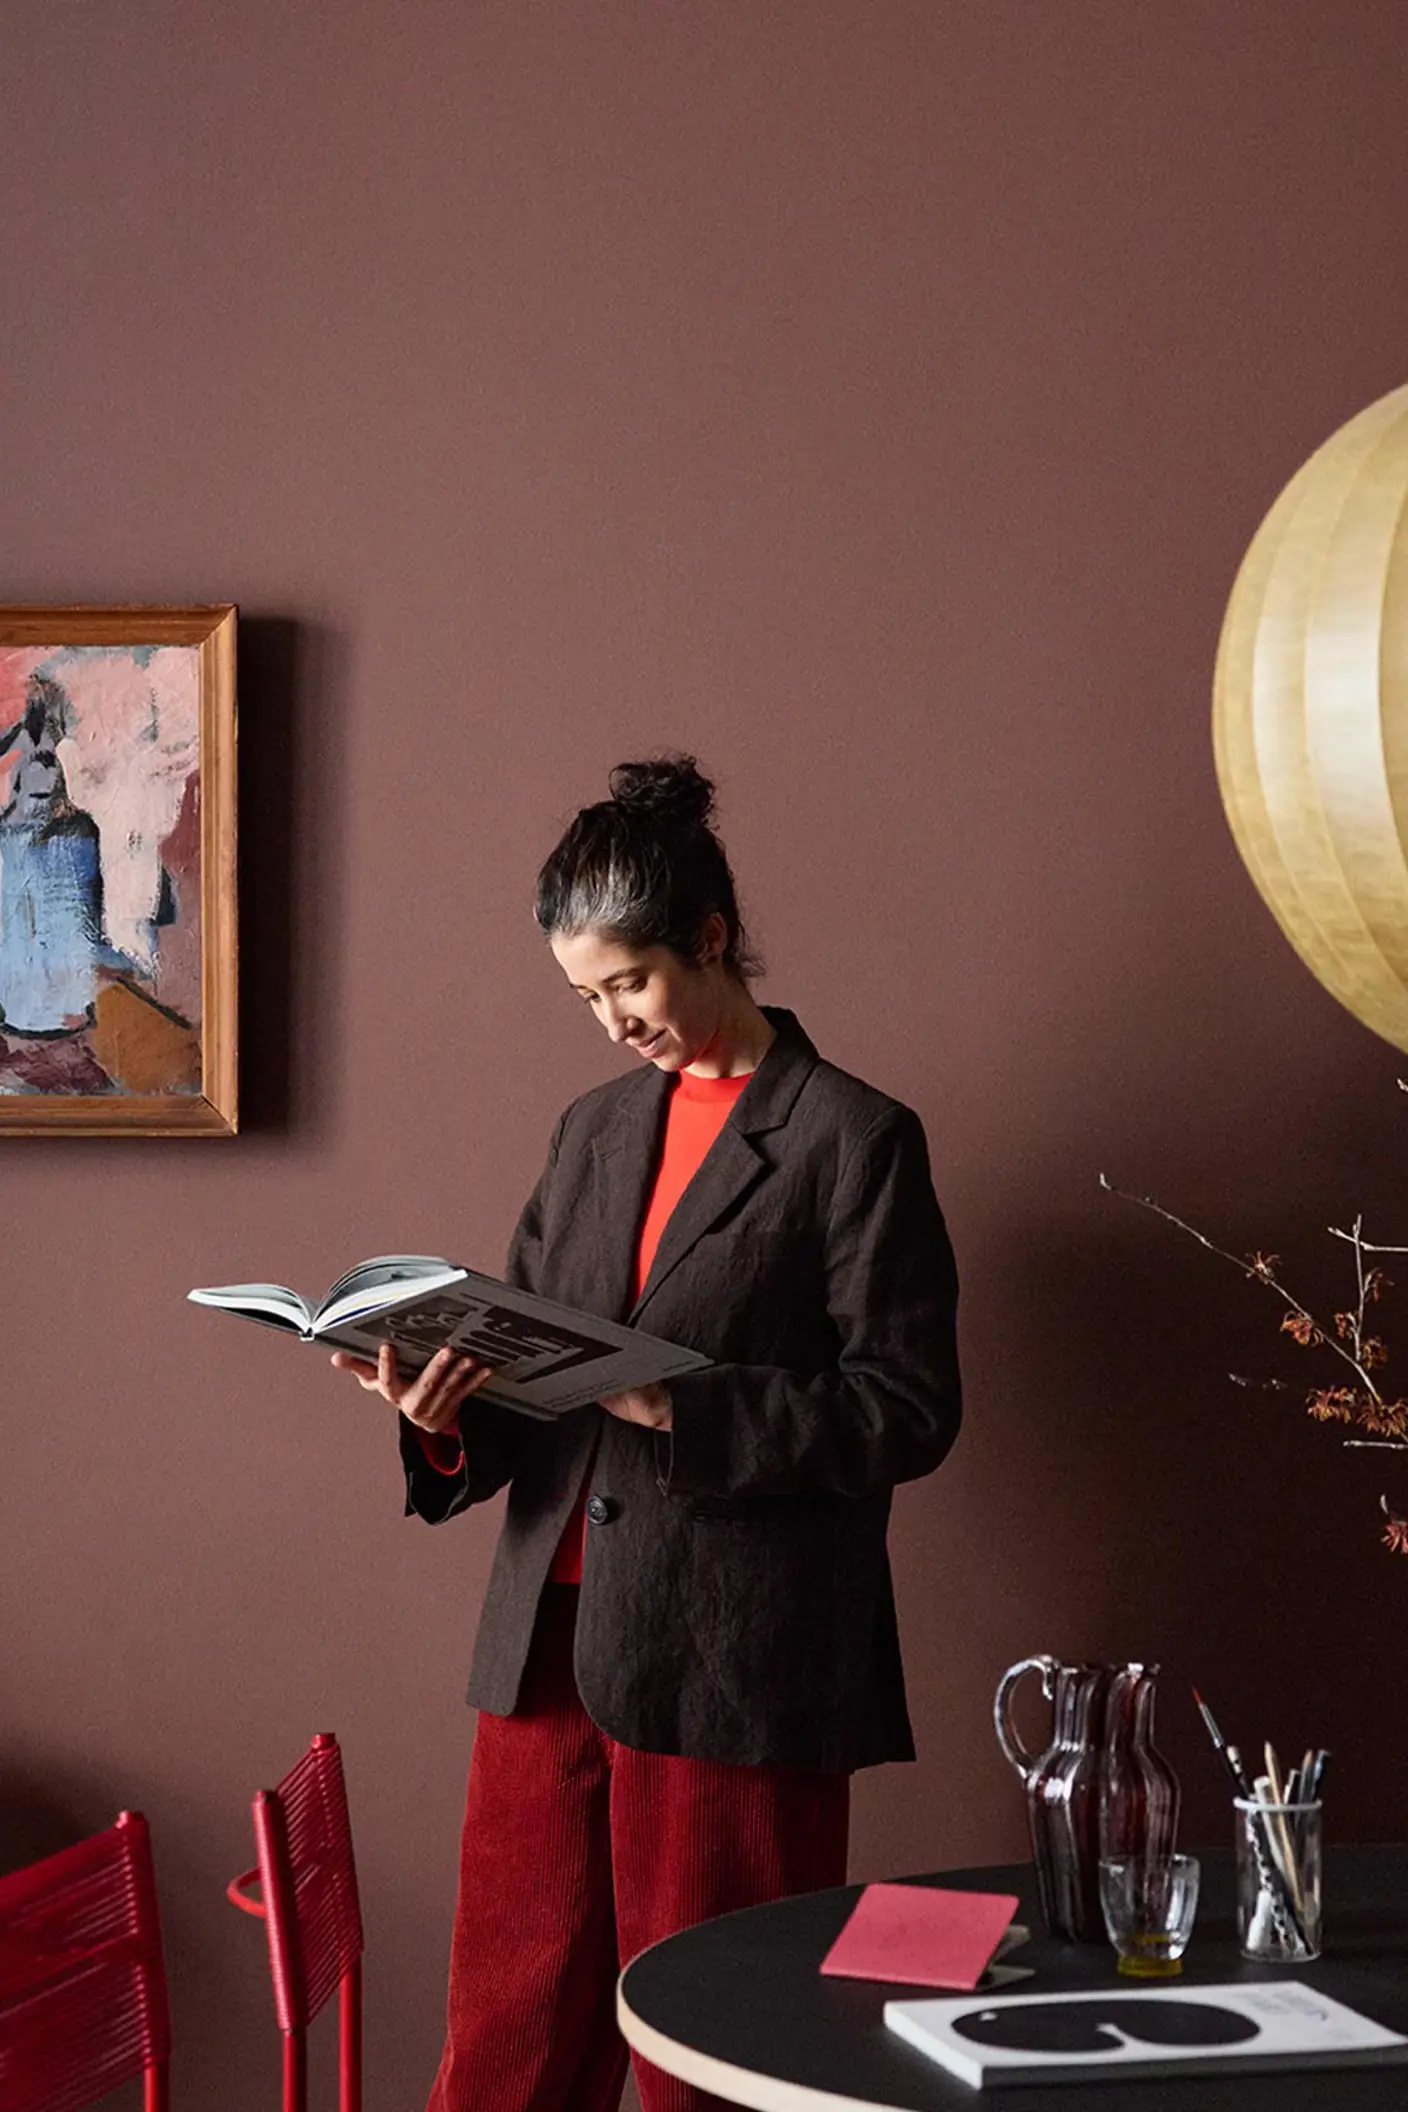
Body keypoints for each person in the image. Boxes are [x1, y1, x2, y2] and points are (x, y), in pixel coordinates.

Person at [333, 755, 962, 2112]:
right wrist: (443, 1412)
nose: (613, 1023)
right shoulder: (592, 1132)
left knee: (717, 2049)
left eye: (629, 983)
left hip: (732, 1655)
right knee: (505, 2047)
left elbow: (904, 1411)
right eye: (585, 997)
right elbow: (524, 1354)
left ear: (713, 941)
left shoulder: (854, 1140)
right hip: (546, 1643)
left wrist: (682, 1400)